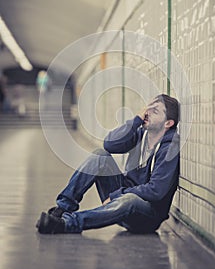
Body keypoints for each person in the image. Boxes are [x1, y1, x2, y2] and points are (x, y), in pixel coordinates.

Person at [36, 94, 180, 234]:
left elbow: (156, 191)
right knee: (100, 155)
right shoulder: (142, 134)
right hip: (122, 201)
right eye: (148, 108)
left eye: (154, 111)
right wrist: (136, 121)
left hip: (146, 215)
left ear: (168, 123)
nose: (147, 113)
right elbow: (109, 144)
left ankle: (67, 224)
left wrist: (117, 195)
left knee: (130, 199)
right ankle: (62, 209)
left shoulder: (169, 148)